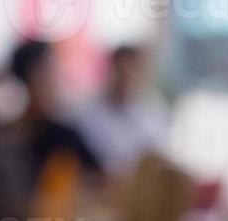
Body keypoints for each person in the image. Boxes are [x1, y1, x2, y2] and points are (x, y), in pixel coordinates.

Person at [10, 40, 103, 187]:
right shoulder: (8, 138)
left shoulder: (65, 135)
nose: (55, 79)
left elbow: (99, 178)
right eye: (48, 70)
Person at [76, 45, 169, 176]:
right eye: (121, 71)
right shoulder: (89, 114)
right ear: (111, 71)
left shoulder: (154, 110)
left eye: (131, 71)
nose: (126, 78)